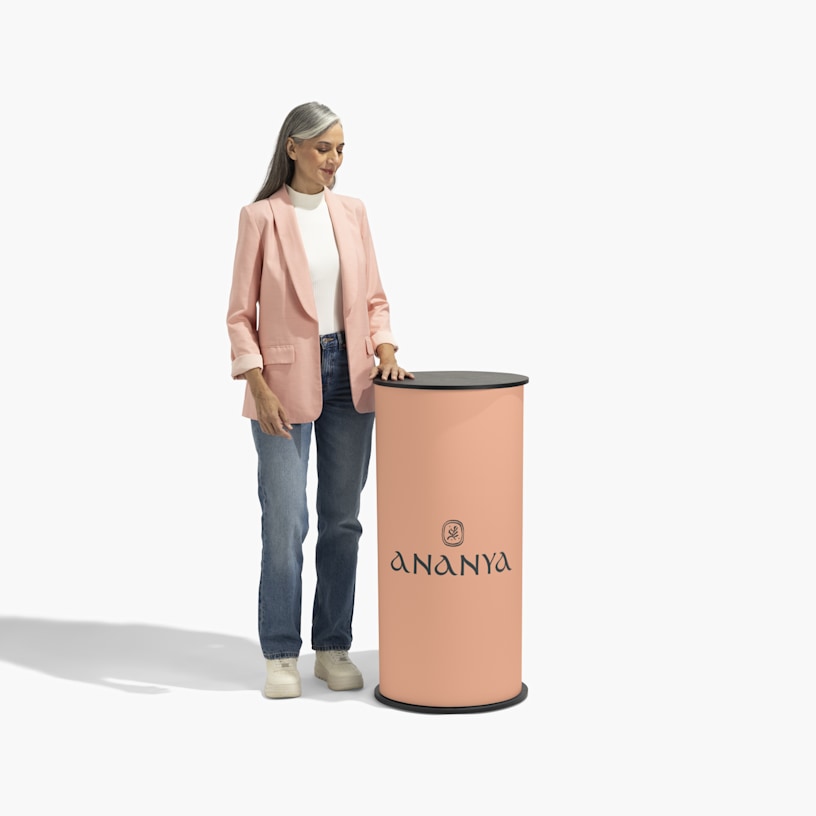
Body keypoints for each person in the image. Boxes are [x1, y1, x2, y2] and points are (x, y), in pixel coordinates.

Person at [226, 101, 413, 699]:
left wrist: (384, 349)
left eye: (341, 149)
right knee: (285, 522)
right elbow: (238, 315)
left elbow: (375, 299)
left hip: (352, 377)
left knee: (343, 521)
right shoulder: (260, 218)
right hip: (281, 383)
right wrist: (257, 383)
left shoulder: (353, 213)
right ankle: (281, 653)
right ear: (294, 148)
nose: (335, 160)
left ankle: (333, 645)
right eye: (325, 148)